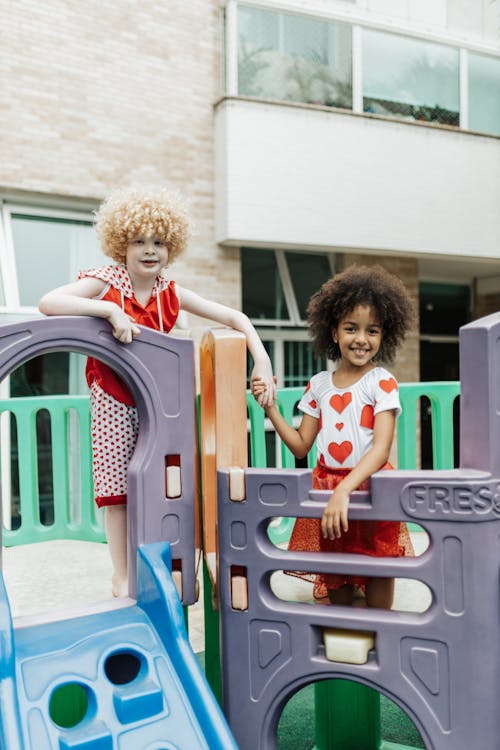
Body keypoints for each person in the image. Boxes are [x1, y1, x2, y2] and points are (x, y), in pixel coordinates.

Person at [39, 186, 275, 597]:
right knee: (115, 492)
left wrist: (264, 361)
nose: (150, 251)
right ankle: (120, 573)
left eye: (159, 242)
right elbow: (48, 302)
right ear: (122, 244)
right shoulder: (107, 281)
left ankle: (159, 564)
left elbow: (236, 317)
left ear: (172, 246)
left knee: (159, 482)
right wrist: (109, 310)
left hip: (155, 400)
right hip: (112, 396)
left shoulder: (170, 292)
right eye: (139, 241)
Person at [252, 264, 414, 609]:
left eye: (373, 330)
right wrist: (271, 409)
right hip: (328, 490)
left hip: (371, 489)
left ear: (385, 335)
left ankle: (377, 645)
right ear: (334, 332)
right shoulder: (319, 385)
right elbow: (301, 445)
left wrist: (345, 489)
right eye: (351, 328)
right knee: (336, 578)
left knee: (377, 571)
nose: (362, 339)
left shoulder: (381, 381)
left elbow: (381, 449)